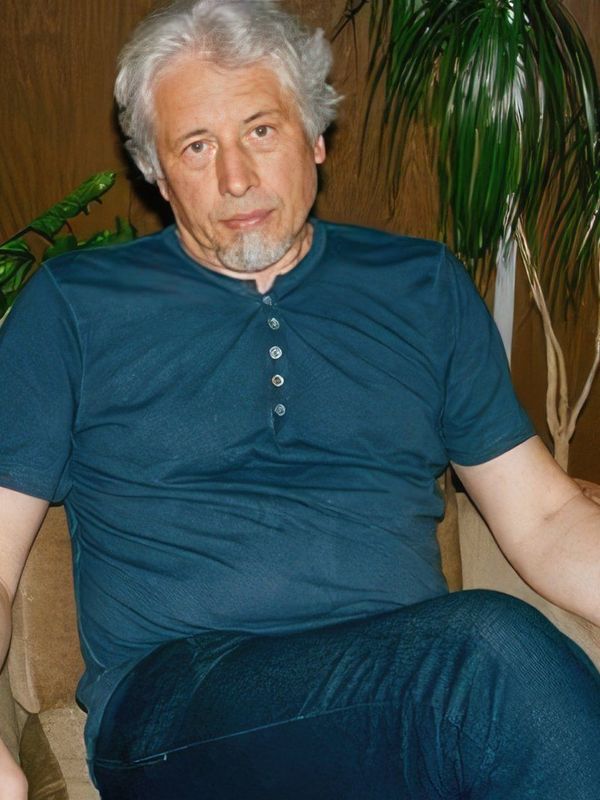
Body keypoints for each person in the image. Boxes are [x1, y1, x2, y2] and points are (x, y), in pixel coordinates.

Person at [1, 0, 599, 797]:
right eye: (196, 145)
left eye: (260, 130)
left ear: (315, 136)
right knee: (486, 655)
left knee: (474, 684)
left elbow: (547, 518)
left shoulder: (421, 288)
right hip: (179, 708)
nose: (236, 178)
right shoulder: (74, 306)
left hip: (408, 687)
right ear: (157, 173)